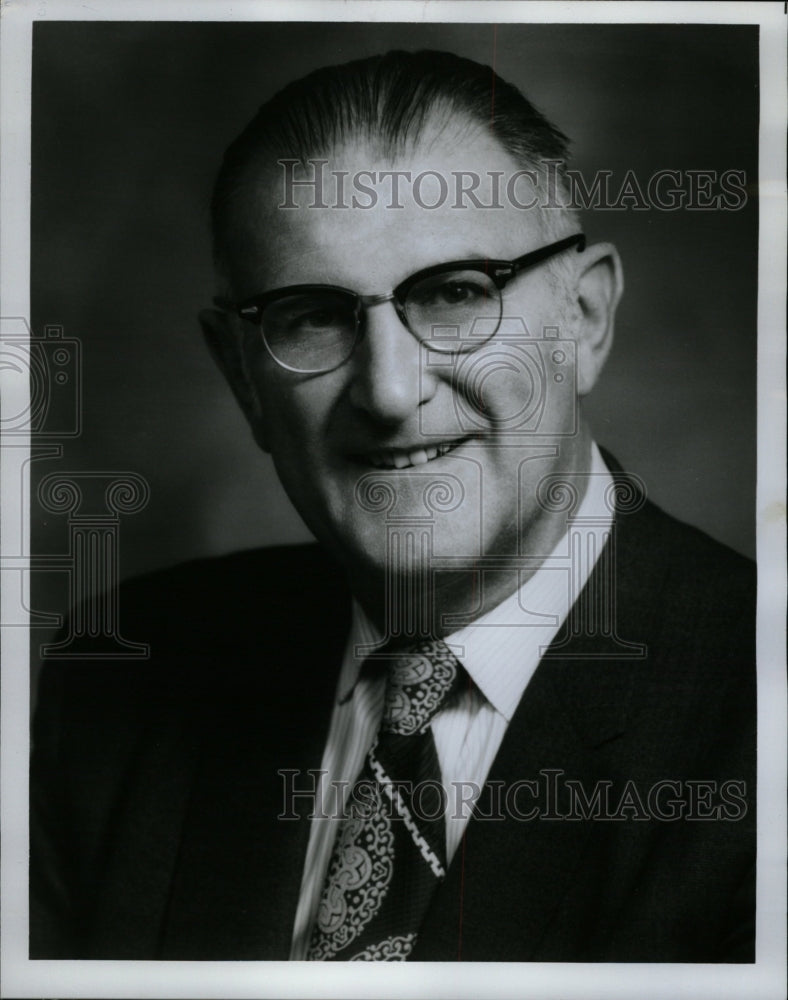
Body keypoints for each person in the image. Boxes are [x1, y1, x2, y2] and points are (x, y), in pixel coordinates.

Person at [30, 49, 755, 962]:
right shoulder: (115, 681)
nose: (388, 389)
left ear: (585, 318)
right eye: (313, 316)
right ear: (242, 379)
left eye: (455, 295)